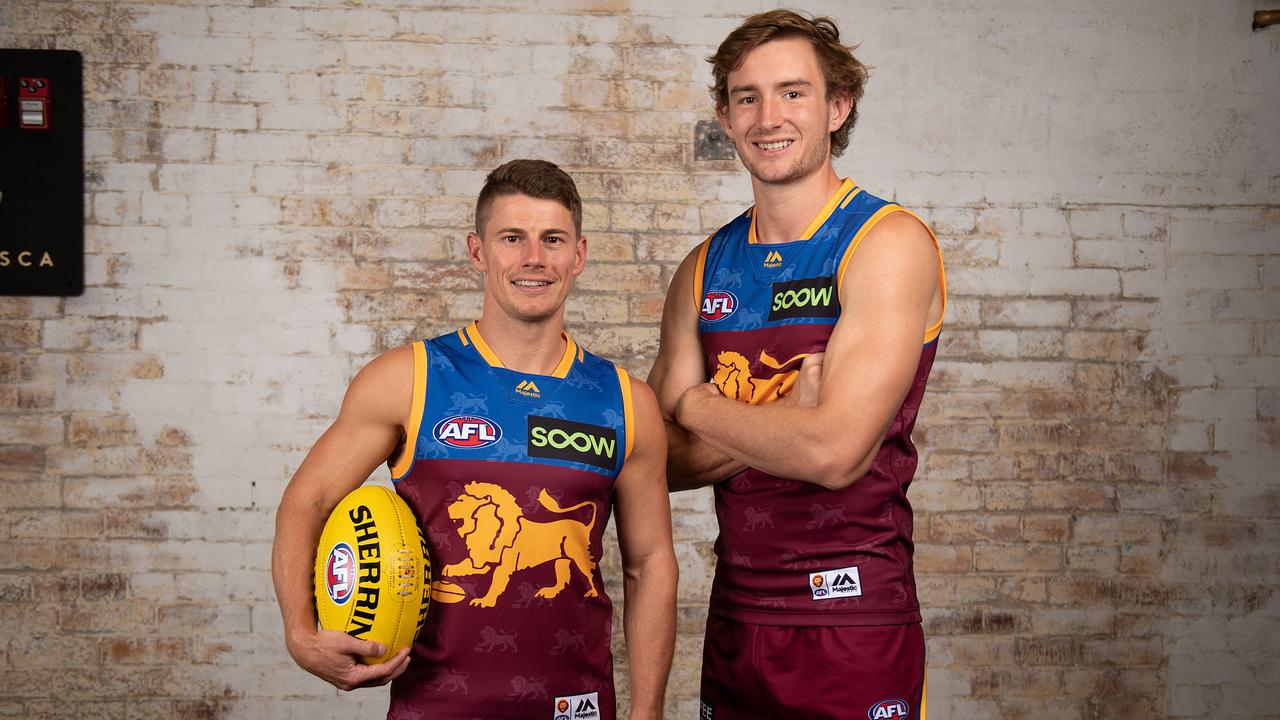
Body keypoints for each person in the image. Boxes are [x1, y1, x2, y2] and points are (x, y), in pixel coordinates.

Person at [273, 159, 677, 720]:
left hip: (576, 708)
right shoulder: (409, 378)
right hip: (435, 708)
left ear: (578, 255)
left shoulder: (627, 401)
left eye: (552, 239)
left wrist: (648, 711)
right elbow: (308, 500)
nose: (533, 258)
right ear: (478, 251)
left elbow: (650, 562)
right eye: (512, 238)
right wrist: (300, 631)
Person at [647, 10, 946, 720]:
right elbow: (655, 464)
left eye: (792, 92)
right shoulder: (704, 267)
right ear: (724, 114)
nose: (767, 116)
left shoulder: (885, 243)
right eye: (746, 96)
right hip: (737, 619)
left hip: (854, 620)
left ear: (837, 106)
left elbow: (836, 452)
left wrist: (694, 405)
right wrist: (784, 419)